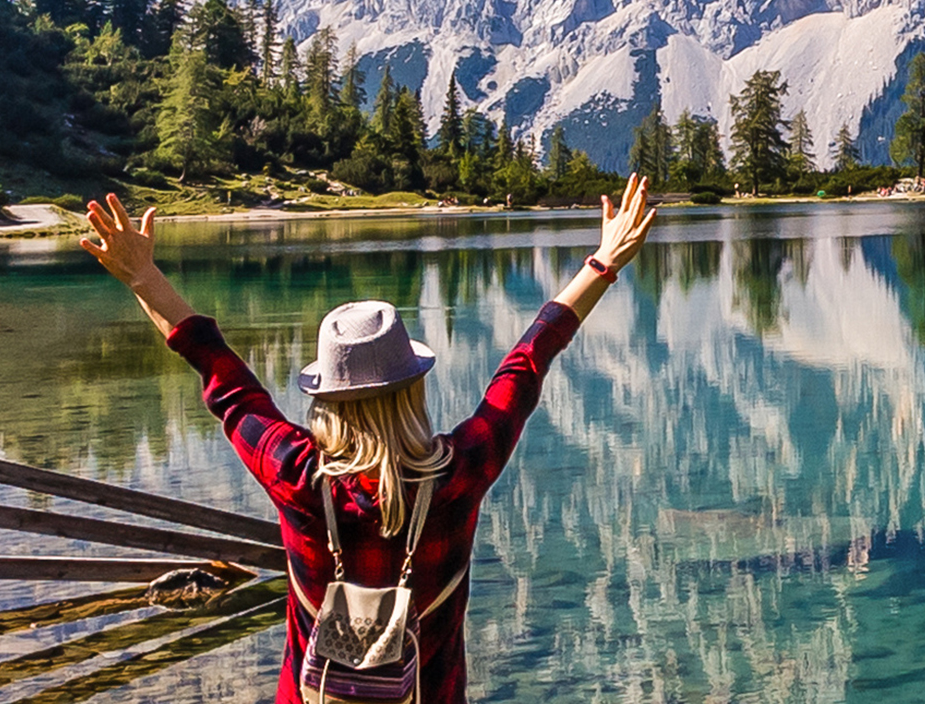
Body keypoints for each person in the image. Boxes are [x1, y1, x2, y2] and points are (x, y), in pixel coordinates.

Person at [74, 177, 658, 704]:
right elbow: (526, 363)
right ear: (413, 389)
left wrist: (143, 276)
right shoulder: (457, 475)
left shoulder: (294, 472)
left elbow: (221, 373)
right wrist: (602, 262)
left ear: (324, 397)